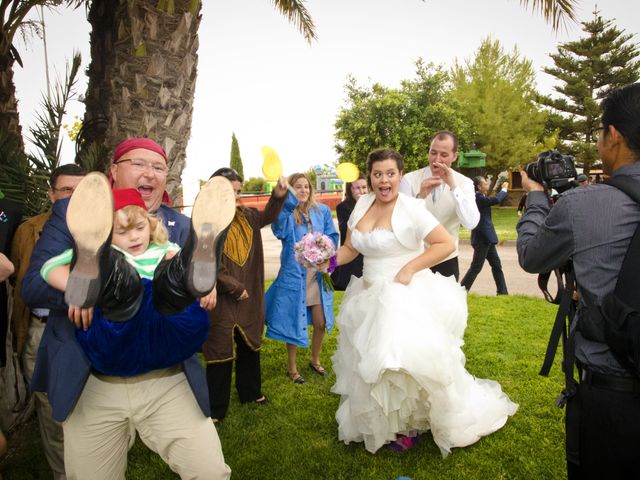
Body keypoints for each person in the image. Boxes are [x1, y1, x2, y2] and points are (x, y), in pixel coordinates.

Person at [21, 138, 233, 480]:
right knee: (122, 288)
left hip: (167, 373)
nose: (149, 172)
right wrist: (80, 293)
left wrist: (202, 287)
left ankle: (198, 258)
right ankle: (98, 266)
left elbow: (185, 282)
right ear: (114, 171)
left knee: (210, 472)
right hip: (94, 380)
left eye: (159, 167)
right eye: (138, 163)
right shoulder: (73, 213)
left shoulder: (171, 227)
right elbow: (33, 283)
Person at [330, 148, 517, 455]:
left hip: (404, 292)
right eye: (377, 174)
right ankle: (385, 423)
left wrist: (409, 268)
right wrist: (327, 261)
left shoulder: (412, 208)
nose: (384, 180)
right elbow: (351, 247)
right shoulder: (362, 204)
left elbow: (444, 243)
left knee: (400, 360)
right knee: (374, 362)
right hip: (368, 293)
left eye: (390, 173)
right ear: (370, 177)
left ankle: (412, 424)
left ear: (400, 176)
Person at [517, 83, 640, 479]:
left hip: (613, 397)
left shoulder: (584, 204)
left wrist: (536, 197)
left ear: (614, 136)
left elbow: (531, 256)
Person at [40, 183, 223, 376]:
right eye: (122, 232)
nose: (134, 237)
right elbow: (49, 268)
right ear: (107, 234)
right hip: (120, 332)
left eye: (140, 227)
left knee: (173, 273)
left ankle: (200, 245)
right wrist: (79, 289)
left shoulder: (163, 248)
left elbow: (193, 276)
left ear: (151, 225)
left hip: (166, 326)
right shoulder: (104, 254)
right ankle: (106, 263)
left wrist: (207, 286)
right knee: (120, 280)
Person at [9, 163, 85, 480]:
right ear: (52, 193)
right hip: (39, 332)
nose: (74, 197)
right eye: (67, 190)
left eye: (81, 191)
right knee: (51, 410)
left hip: (79, 328)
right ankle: (62, 473)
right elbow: (21, 283)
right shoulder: (27, 231)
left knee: (83, 406)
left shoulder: (99, 228)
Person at [203, 168, 287, 422]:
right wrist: (232, 285)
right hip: (221, 297)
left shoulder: (247, 215)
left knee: (250, 341)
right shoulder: (205, 221)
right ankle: (216, 407)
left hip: (249, 294)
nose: (235, 196)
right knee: (219, 347)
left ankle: (250, 392)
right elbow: (205, 260)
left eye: (238, 191)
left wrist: (278, 196)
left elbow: (268, 217)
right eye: (230, 191)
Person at [265, 173, 339, 384]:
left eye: (306, 186)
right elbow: (279, 231)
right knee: (293, 322)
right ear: (291, 190)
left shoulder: (322, 210)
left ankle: (315, 360)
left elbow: (332, 237)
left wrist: (328, 260)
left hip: (316, 274)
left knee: (320, 322)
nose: (303, 190)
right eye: (298, 187)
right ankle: (292, 369)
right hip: (295, 274)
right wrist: (287, 204)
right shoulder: (287, 213)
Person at [400, 131, 480, 280]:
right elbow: (401, 223)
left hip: (447, 261)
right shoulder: (409, 179)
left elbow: (470, 223)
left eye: (444, 155)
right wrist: (420, 197)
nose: (437, 159)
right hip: (414, 259)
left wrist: (454, 187)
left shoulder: (465, 183)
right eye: (433, 153)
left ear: (454, 156)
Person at [460, 177, 509, 295]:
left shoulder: (480, 197)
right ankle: (461, 290)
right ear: (479, 187)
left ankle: (503, 292)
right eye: (485, 183)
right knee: (476, 267)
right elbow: (496, 199)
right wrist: (504, 189)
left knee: (496, 265)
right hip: (482, 238)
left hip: (487, 238)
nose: (487, 185)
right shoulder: (478, 198)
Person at [330, 174, 368, 290]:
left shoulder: (375, 205)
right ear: (350, 189)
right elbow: (346, 231)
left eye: (364, 187)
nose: (361, 191)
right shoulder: (344, 207)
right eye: (357, 188)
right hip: (353, 259)